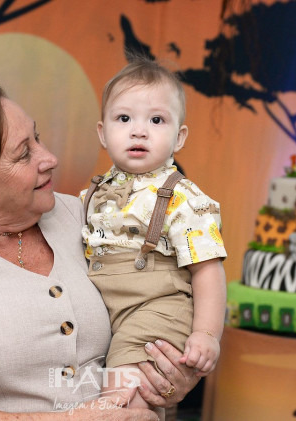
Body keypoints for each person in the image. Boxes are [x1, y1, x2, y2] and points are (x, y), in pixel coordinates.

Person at [0, 85, 200, 420]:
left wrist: (172, 370)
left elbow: (159, 295)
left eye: (37, 138)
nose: (50, 159)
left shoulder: (87, 215)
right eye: (24, 153)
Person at [80, 57, 227, 409]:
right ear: (102, 133)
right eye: (124, 119)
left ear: (179, 137)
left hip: (157, 309)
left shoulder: (184, 199)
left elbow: (208, 270)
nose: (139, 131)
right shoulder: (92, 195)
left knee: (123, 397)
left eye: (156, 120)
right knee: (126, 396)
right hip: (111, 312)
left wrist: (207, 333)